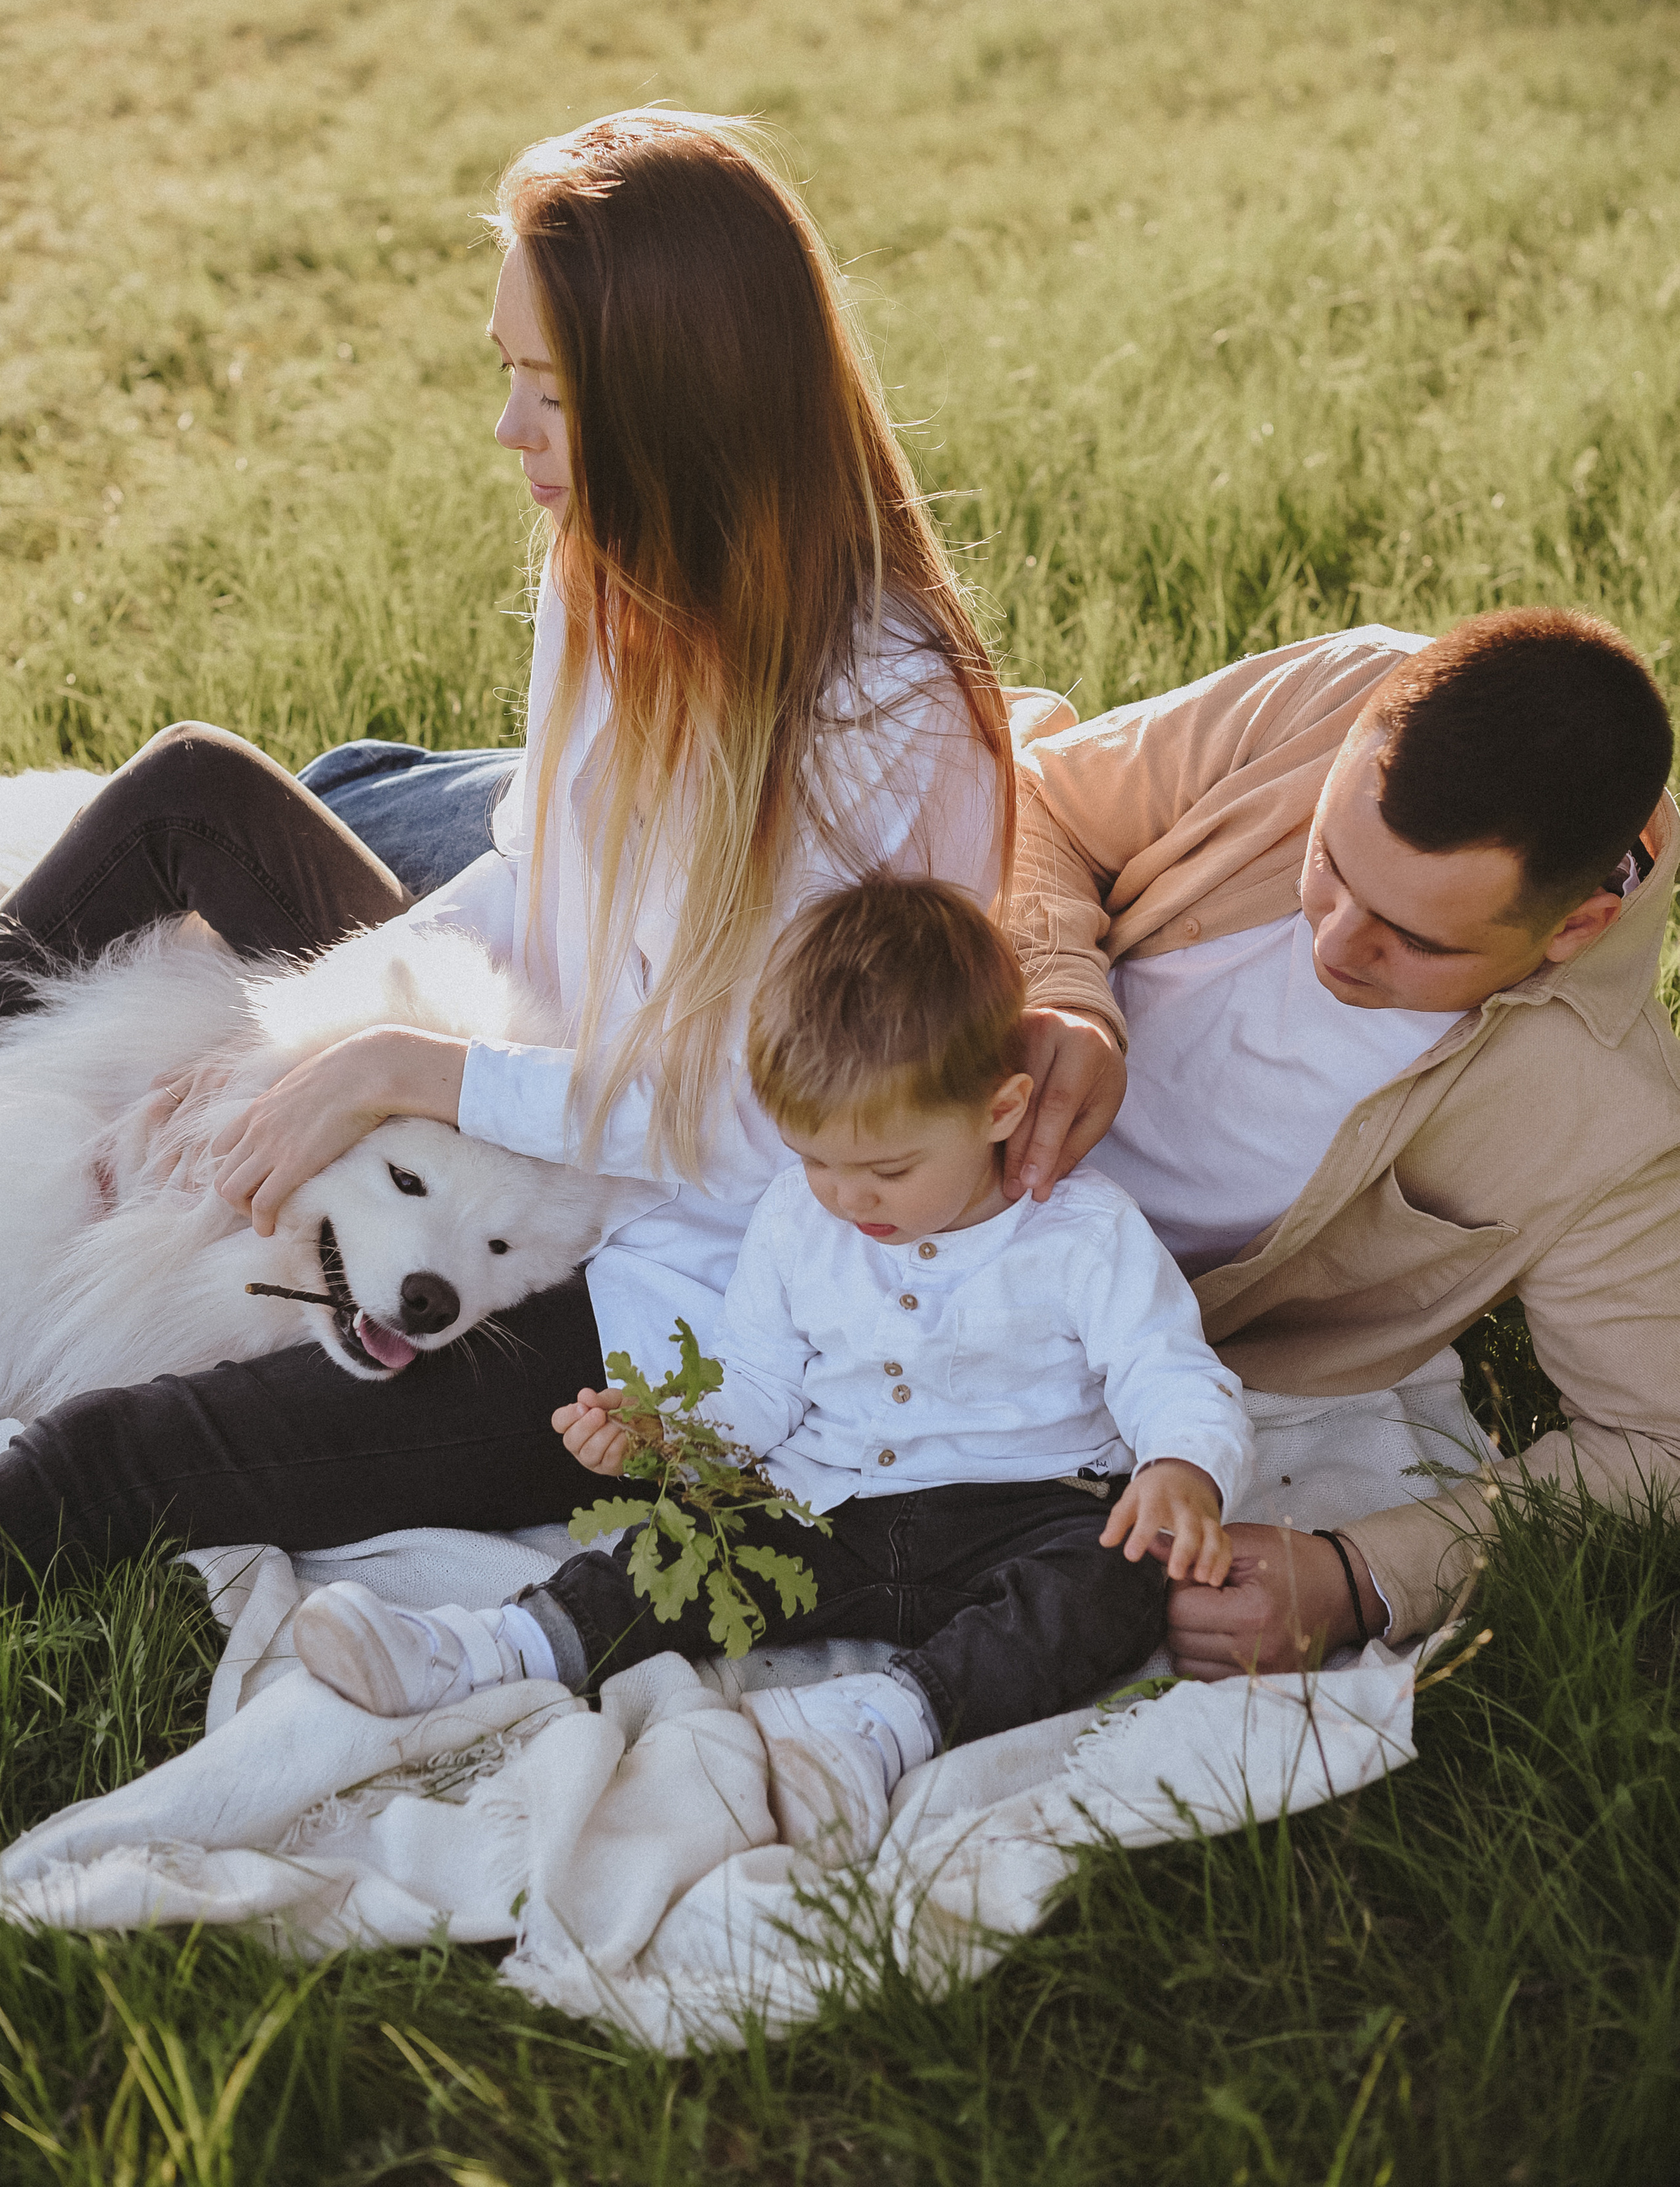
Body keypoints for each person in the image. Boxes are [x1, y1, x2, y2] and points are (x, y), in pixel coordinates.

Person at [0, 108, 1015, 1588]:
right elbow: (538, 885)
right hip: (536, 1079)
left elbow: (760, 1125)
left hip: (676, 1267)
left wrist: (402, 1074)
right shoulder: (605, 576)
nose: (508, 430)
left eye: (551, 391)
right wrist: (306, 1034)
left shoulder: (872, 713)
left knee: (130, 1459)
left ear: (680, 408)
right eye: (509, 376)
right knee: (194, 800)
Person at [290, 877, 1253, 1808]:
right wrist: (670, 1433)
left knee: (1111, 1585)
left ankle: (889, 1722)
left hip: (1023, 1510)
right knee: (679, 1551)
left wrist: (1181, 1468)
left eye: (885, 1168)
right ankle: (494, 1647)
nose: (845, 1197)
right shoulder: (801, 1217)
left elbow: (1165, 1369)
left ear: (1000, 1112)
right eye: (815, 1159)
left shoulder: (1084, 1234)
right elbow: (759, 1383)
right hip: (827, 1504)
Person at [994, 607, 1678, 1675]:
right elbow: (1040, 799)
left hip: (1104, 1334)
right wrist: (1062, 990)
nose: (1335, 942)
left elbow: (1657, 1449)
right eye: (1327, 861)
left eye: (1413, 940)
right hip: (948, 1099)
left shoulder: (1612, 1119)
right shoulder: (1346, 686)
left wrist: (1359, 1577)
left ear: (1576, 927)